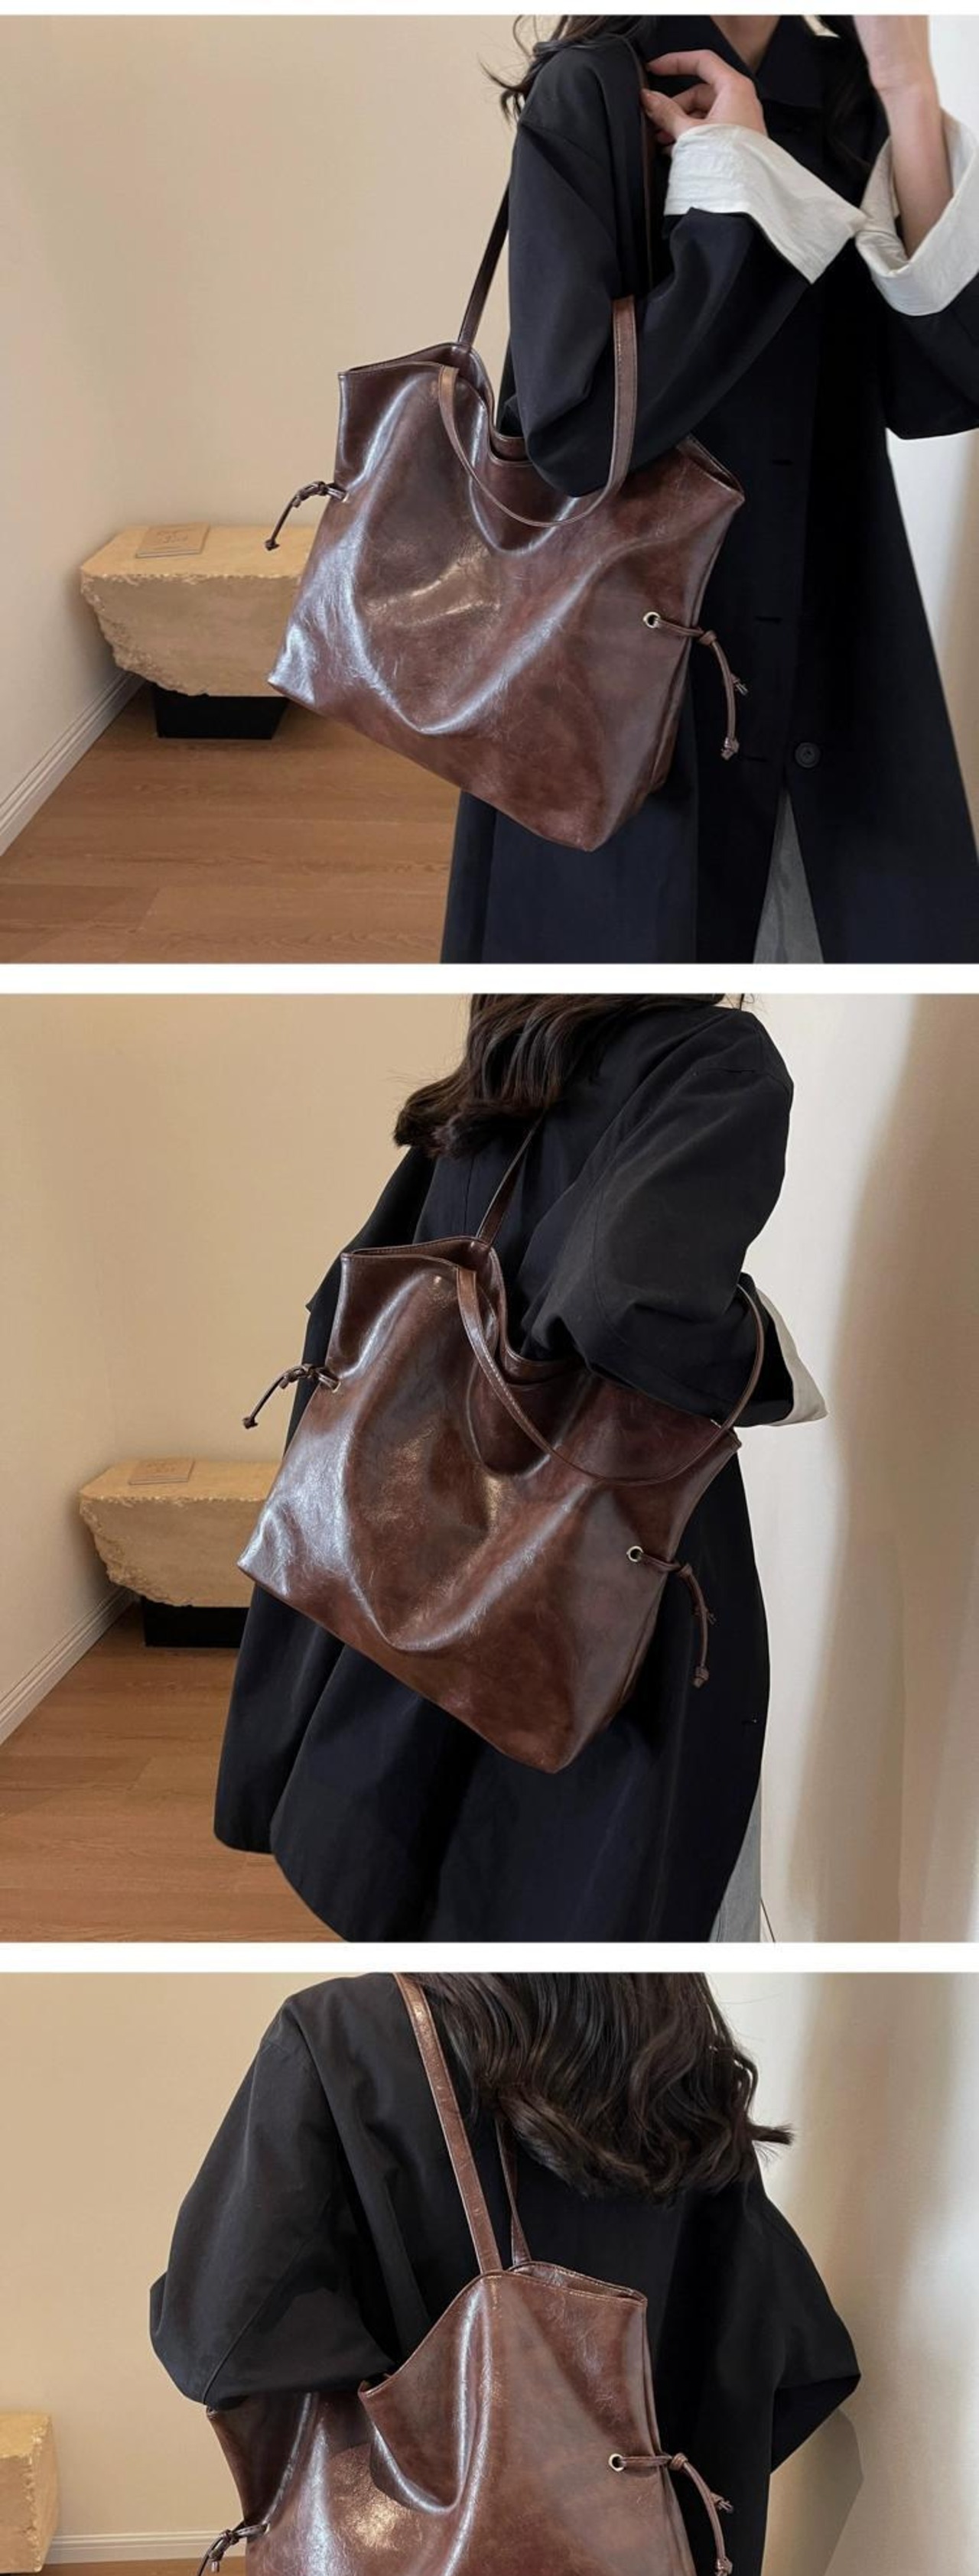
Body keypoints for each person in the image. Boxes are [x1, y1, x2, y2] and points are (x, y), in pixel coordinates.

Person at [159, 1970, 859, 2576]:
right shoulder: (672, 2052)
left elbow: (216, 2332)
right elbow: (780, 2358)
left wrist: (420, 2442)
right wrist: (594, 2498)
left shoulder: (348, 2033)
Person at [215, 993, 820, 1944]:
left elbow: (360, 1286)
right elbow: (623, 1304)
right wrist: (767, 1363)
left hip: (425, 1538)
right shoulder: (711, 1053)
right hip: (592, 1572)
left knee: (434, 1867)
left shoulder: (518, 1038)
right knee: (599, 1885)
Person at [442, 13, 979, 965]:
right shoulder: (596, 90)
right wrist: (736, 182)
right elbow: (577, 437)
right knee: (633, 947)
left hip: (826, 626)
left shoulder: (847, 88)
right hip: (623, 663)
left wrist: (907, 89)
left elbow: (942, 384)